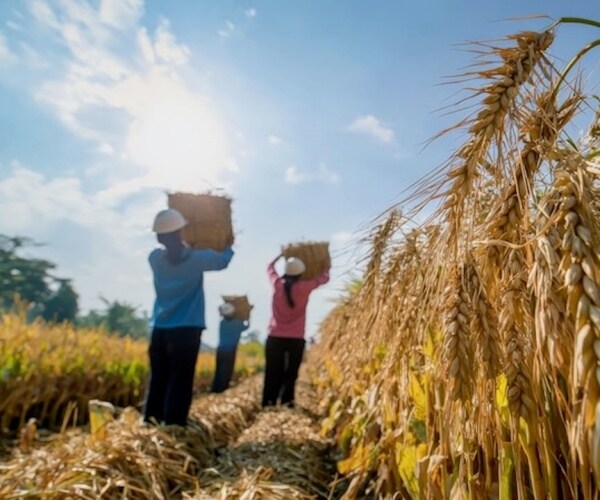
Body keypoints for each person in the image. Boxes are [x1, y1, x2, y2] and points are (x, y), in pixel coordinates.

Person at [143, 208, 234, 426]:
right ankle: (174, 424)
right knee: (181, 379)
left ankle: (151, 420)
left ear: (158, 236)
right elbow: (223, 261)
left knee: (158, 378)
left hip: (160, 330)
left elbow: (178, 251)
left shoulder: (154, 258)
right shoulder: (196, 260)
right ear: (181, 232)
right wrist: (230, 244)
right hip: (186, 330)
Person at [262, 254, 329, 407]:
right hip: (296, 338)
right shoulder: (305, 287)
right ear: (301, 273)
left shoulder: (277, 284)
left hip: (274, 337)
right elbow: (325, 278)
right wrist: (325, 265)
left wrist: (278, 256)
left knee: (272, 371)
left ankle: (268, 402)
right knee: (291, 373)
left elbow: (269, 268)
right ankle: (287, 401)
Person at [210, 302, 250, 393]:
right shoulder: (238, 324)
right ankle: (222, 390)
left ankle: (215, 390)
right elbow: (247, 325)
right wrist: (247, 312)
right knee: (227, 372)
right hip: (230, 351)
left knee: (218, 370)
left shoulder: (222, 323)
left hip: (220, 350)